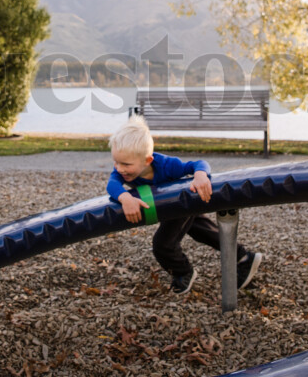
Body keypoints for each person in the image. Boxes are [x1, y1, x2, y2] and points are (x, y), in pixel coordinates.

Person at [107, 115, 263, 294]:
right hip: (169, 208)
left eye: (125, 164)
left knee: (163, 244)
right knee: (203, 232)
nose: (119, 169)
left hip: (183, 203)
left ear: (147, 160)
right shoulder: (123, 169)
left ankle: (183, 272)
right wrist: (125, 198)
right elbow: (112, 184)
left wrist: (201, 175)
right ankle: (243, 257)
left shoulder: (166, 165)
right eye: (116, 162)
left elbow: (198, 164)